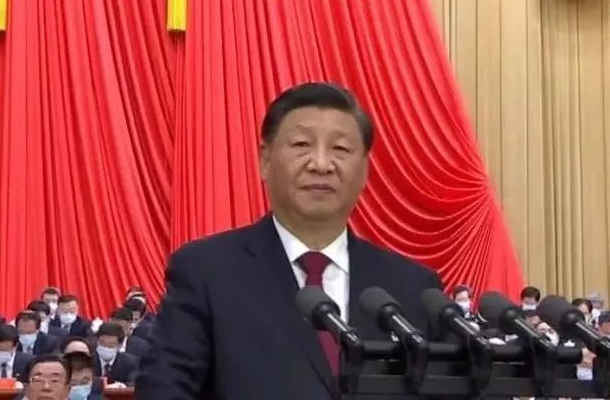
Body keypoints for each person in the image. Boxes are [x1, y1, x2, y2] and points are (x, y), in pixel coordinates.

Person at [136, 82, 444, 400]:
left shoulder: (413, 288)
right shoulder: (207, 272)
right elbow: (164, 390)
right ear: (265, 160)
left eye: (340, 149)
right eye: (301, 144)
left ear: (365, 169)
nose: (321, 164)